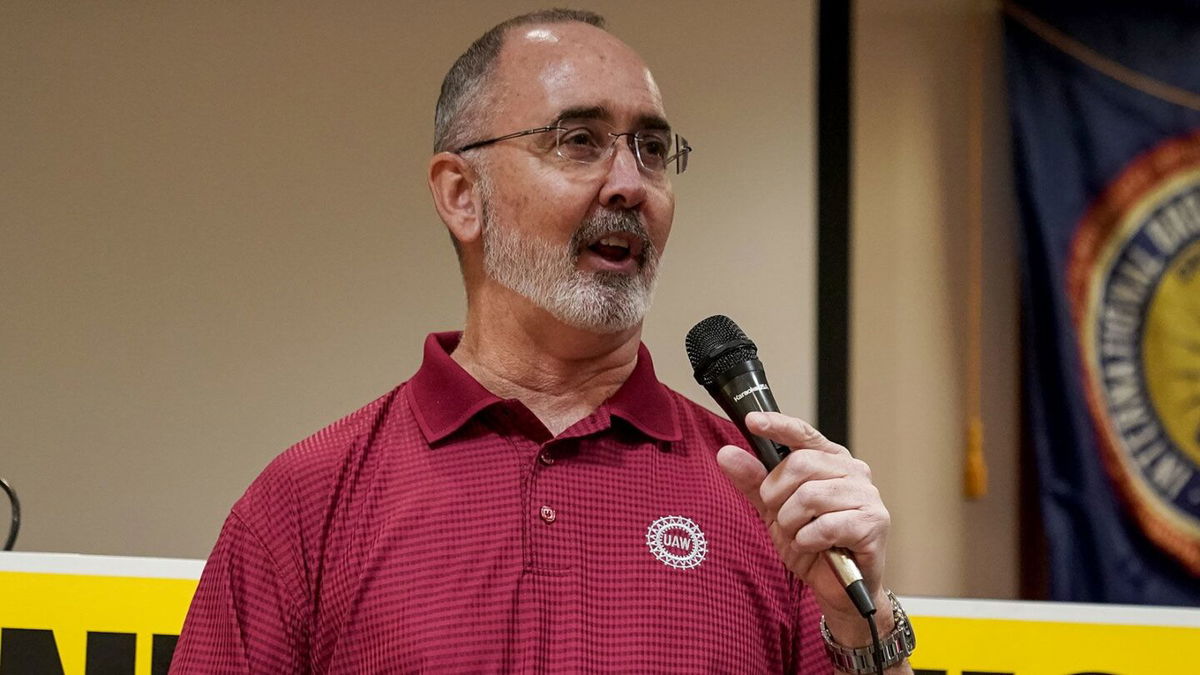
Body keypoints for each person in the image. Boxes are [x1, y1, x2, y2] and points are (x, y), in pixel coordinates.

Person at [171, 9, 914, 674]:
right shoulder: (308, 503)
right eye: (580, 141)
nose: (629, 182)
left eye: (653, 149)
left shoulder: (766, 503)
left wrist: (861, 619)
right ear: (462, 194)